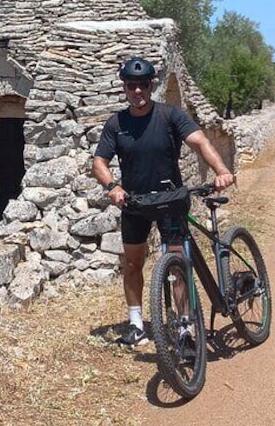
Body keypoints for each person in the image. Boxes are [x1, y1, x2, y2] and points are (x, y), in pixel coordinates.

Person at [92, 56, 236, 346]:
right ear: (124, 87)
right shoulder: (116, 123)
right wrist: (112, 185)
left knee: (177, 263)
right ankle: (136, 325)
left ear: (151, 85)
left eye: (142, 85)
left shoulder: (171, 115)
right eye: (131, 86)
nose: (137, 92)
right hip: (134, 203)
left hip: (170, 199)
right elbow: (99, 162)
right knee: (132, 264)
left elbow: (199, 141)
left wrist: (221, 171)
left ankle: (185, 327)